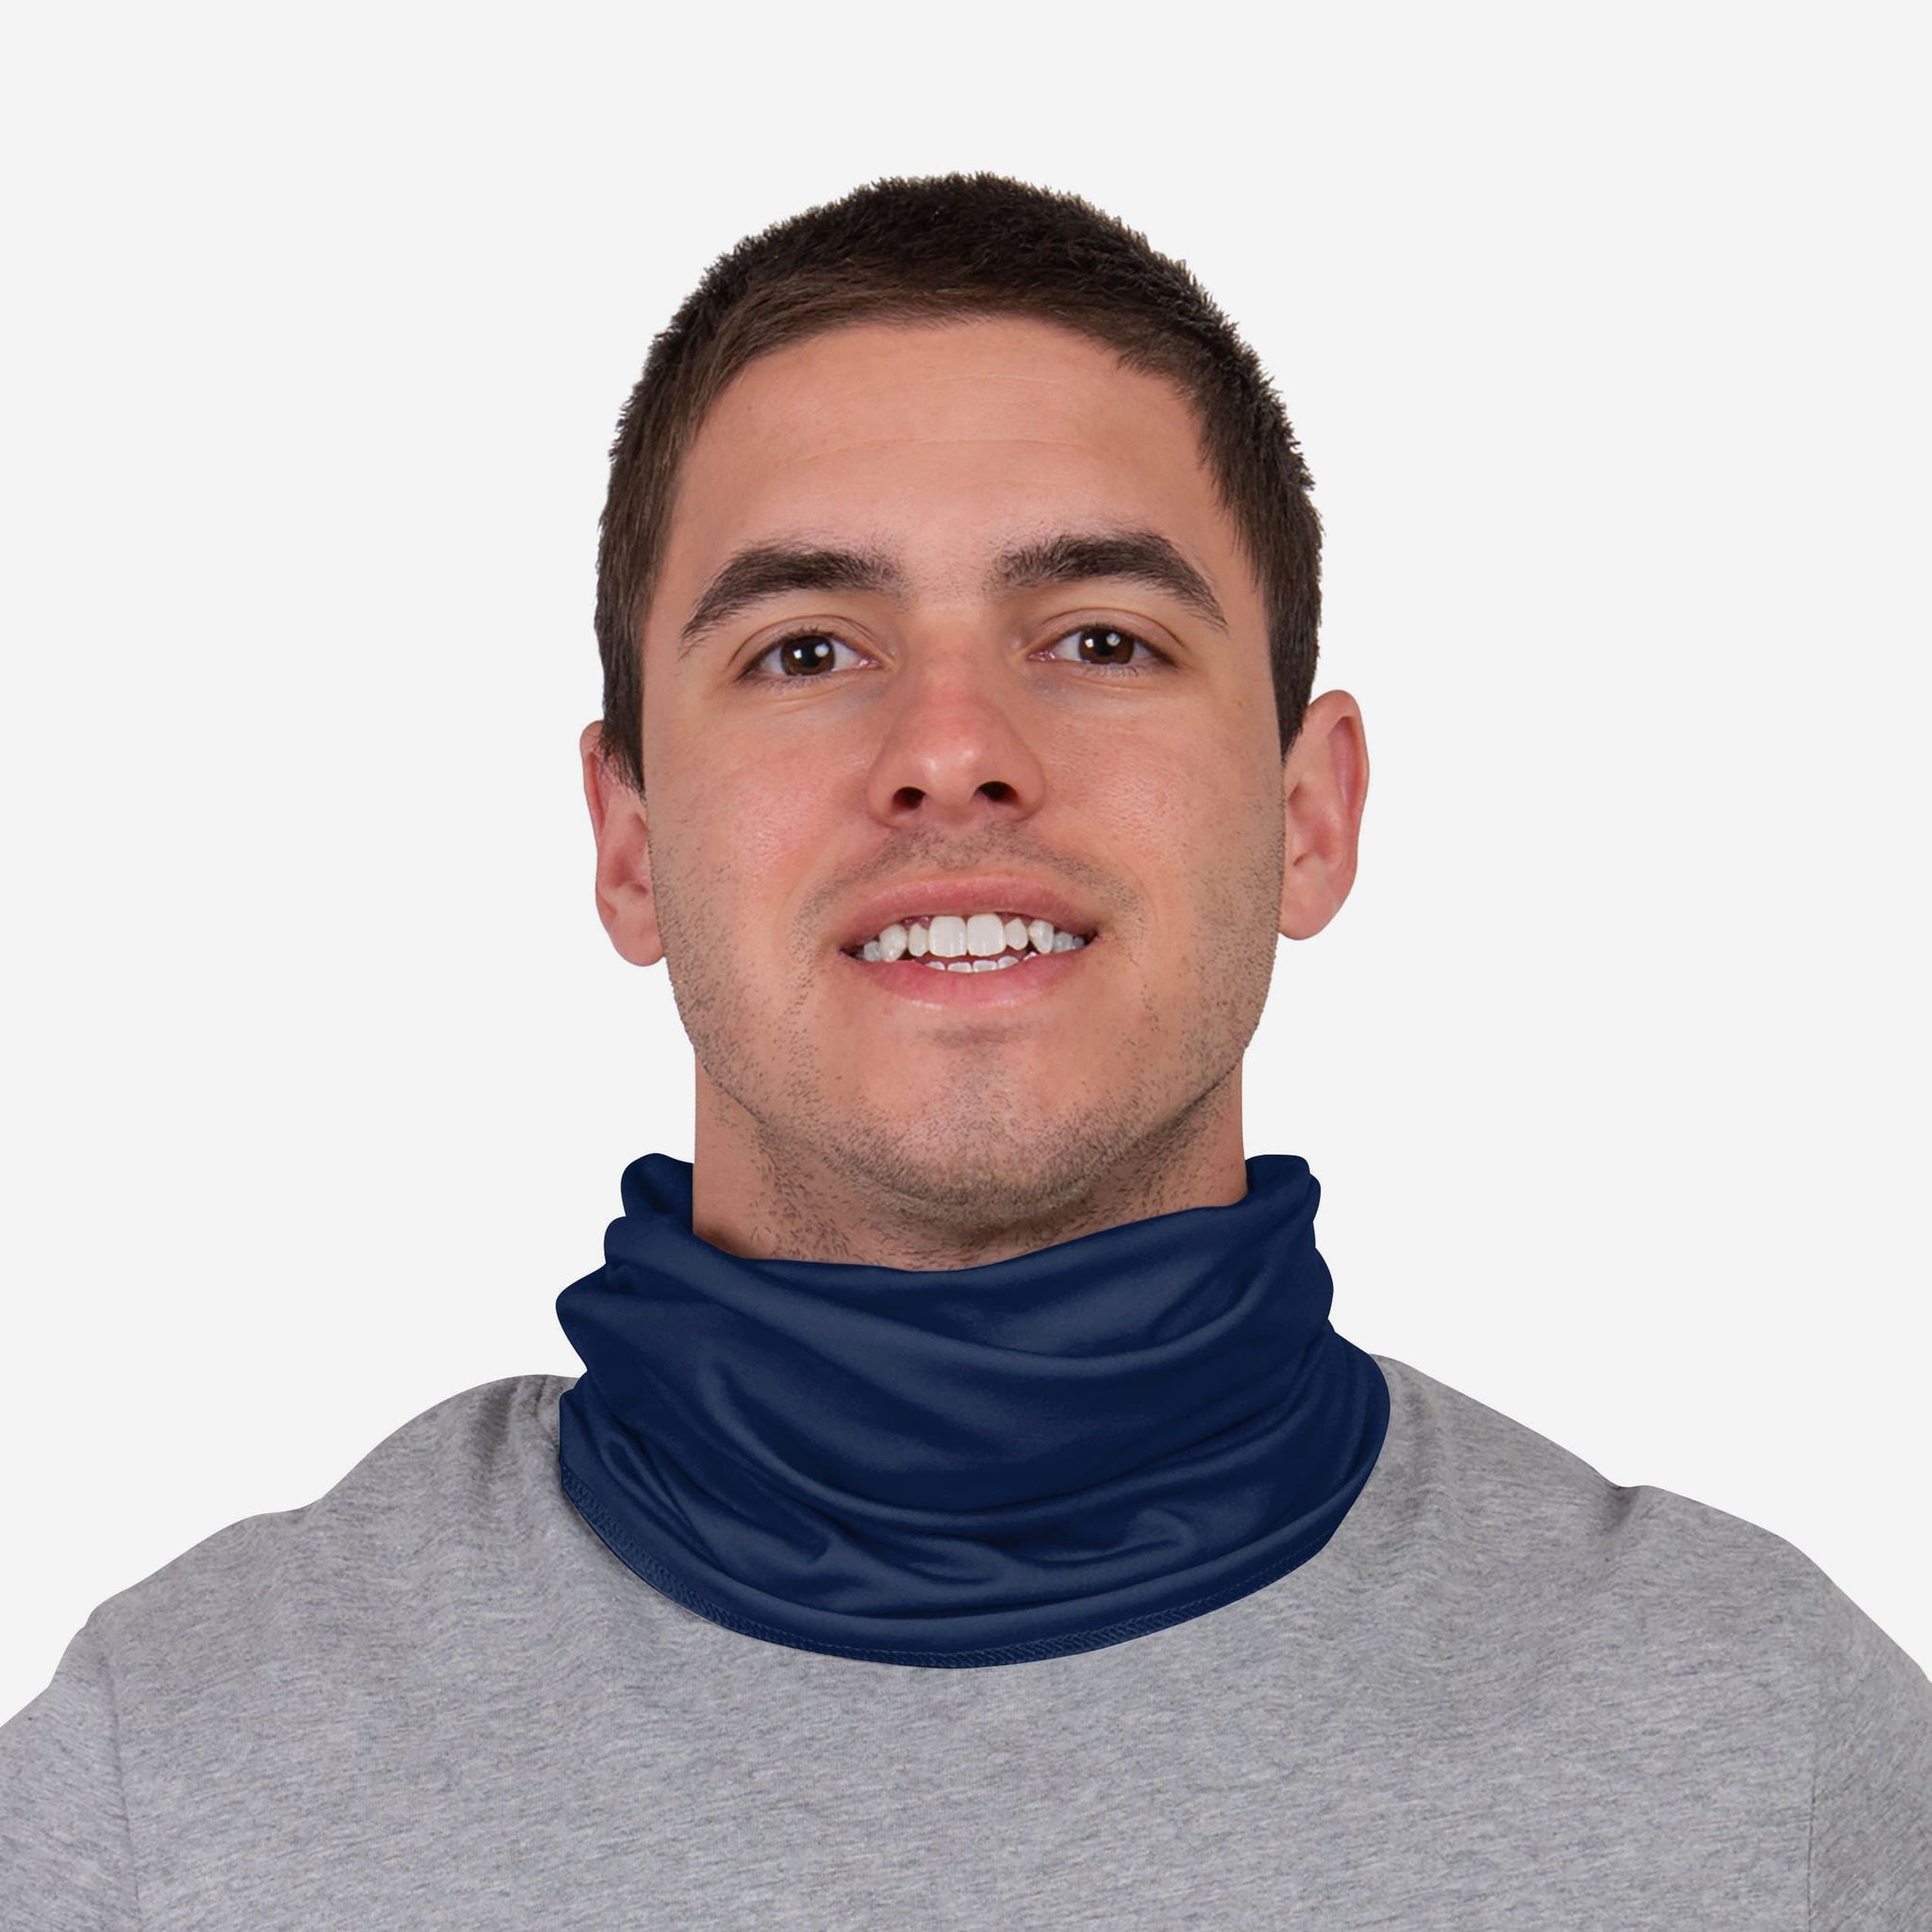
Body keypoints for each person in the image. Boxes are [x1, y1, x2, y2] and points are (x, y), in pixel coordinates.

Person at [4, 171, 1925, 1927]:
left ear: (1308, 815)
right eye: (806, 649)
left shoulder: (1773, 1759)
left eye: (1097, 639)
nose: (950, 748)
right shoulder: (167, 1788)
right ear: (630, 842)